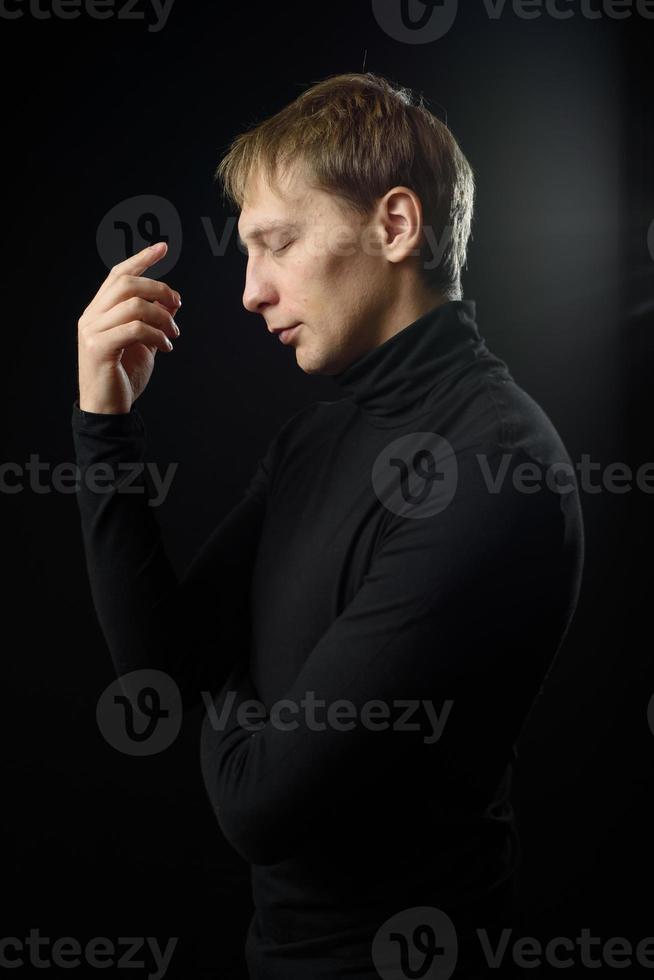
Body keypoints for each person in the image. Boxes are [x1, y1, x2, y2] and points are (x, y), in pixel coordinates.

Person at [72, 72, 585, 979]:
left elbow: (259, 807)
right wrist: (104, 424)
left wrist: (226, 672)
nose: (249, 292)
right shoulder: (319, 434)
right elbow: (156, 669)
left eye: (278, 243)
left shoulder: (498, 470)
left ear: (394, 226)